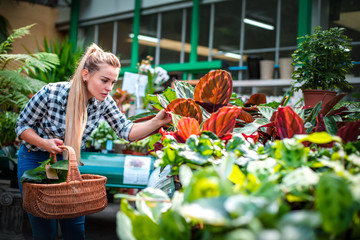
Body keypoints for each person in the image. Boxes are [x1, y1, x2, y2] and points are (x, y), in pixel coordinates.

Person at [15, 43, 171, 240]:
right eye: (105, 80)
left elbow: (126, 130)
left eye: (113, 82)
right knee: (44, 229)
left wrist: (158, 121)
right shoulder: (51, 93)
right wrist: (44, 143)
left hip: (67, 163)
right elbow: (22, 125)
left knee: (75, 226)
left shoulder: (104, 102)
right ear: (86, 74)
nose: (109, 88)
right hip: (35, 159)